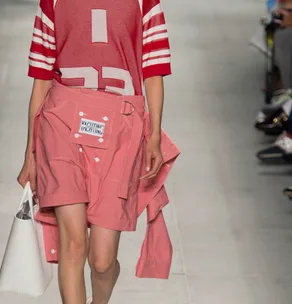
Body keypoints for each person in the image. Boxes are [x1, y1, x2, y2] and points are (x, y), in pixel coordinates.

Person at [17, 0, 179, 303]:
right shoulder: (52, 2)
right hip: (60, 122)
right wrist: (31, 153)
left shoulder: (145, 3)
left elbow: (153, 71)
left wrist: (154, 134)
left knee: (102, 260)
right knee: (74, 243)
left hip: (121, 126)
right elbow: (41, 78)